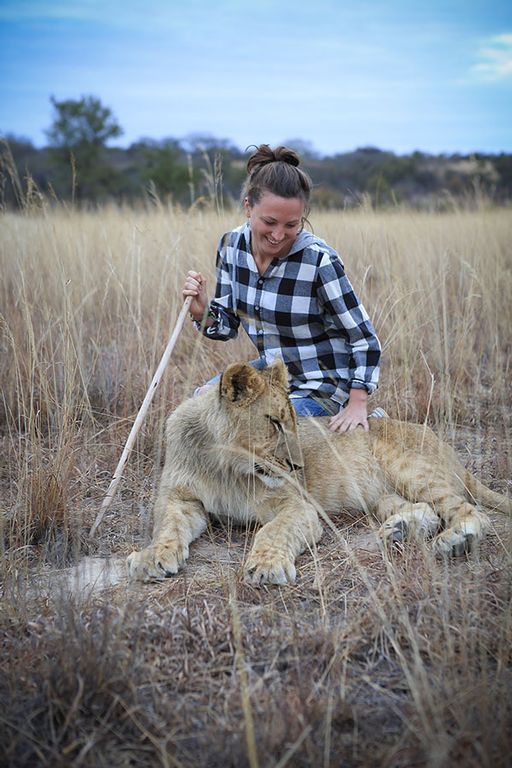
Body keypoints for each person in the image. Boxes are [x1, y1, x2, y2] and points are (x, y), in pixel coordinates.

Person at [183, 144, 382, 432]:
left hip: (323, 383)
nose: (278, 235)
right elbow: (226, 327)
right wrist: (202, 311)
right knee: (203, 405)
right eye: (269, 222)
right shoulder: (231, 246)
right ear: (248, 206)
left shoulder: (319, 261)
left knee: (262, 429)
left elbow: (364, 338)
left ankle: (367, 431)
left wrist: (357, 402)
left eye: (292, 224)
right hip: (273, 372)